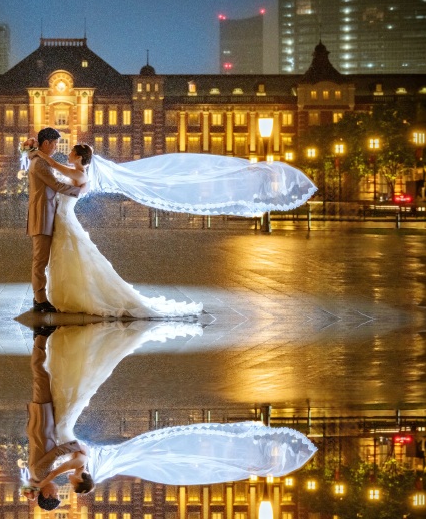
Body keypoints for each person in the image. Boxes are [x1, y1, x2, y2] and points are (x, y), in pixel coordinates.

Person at [43, 321, 316, 486]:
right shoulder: (81, 465)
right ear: (80, 480)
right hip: (113, 454)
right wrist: (40, 480)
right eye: (73, 482)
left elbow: (63, 467)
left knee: (166, 453)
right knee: (169, 452)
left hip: (114, 456)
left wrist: (40, 478)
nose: (70, 479)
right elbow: (62, 466)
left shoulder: (89, 470)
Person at [36, 144, 203, 317]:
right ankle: (69, 294)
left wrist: (36, 152)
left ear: (78, 157)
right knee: (67, 256)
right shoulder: (76, 171)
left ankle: (75, 296)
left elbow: (54, 165)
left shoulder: (79, 173)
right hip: (63, 217)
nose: (68, 153)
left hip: (64, 218)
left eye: (71, 152)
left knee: (68, 255)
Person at [25, 327, 93, 511]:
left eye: (55, 494)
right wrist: (31, 489)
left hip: (41, 423)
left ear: (47, 494)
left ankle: (40, 337)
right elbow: (31, 482)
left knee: (40, 376)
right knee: (43, 378)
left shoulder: (41, 474)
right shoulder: (38, 478)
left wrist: (75, 446)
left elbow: (55, 453)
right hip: (42, 425)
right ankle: (41, 340)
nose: (58, 490)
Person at [27, 128, 84, 313]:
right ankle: (40, 299)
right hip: (42, 215)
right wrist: (79, 191)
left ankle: (40, 297)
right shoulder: (40, 164)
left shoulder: (41, 161)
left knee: (42, 259)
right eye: (54, 143)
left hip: (47, 213)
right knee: (40, 260)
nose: (56, 147)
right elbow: (56, 185)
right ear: (46, 144)